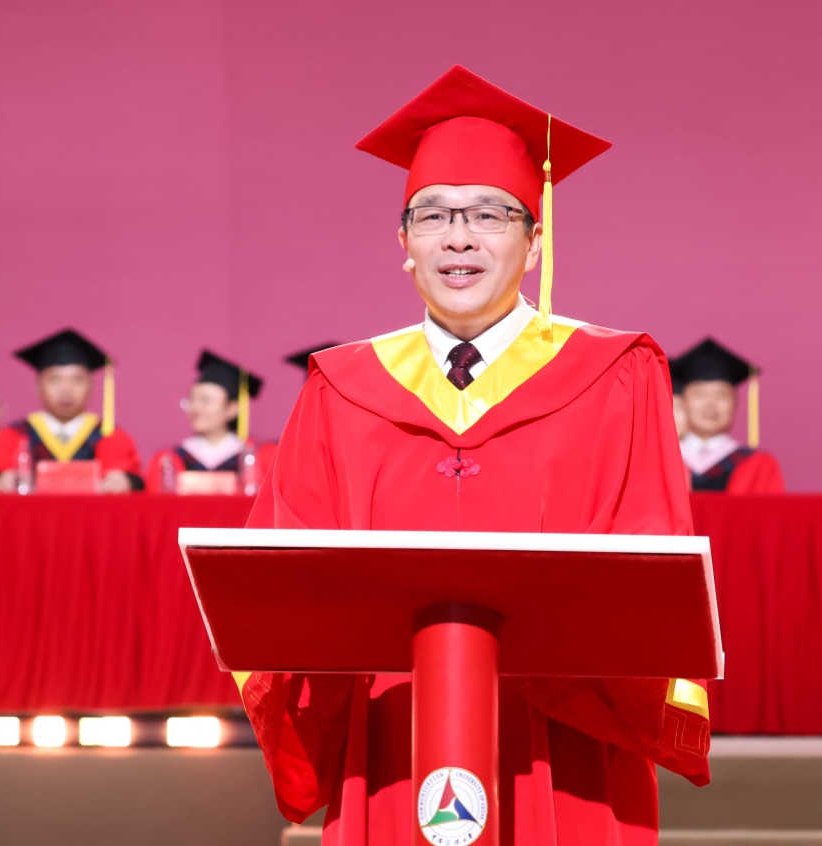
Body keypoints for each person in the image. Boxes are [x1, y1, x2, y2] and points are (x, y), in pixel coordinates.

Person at [238, 66, 710, 846]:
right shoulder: (341, 387)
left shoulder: (615, 375)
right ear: (403, 244)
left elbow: (647, 559)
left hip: (565, 730)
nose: (458, 237)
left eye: (489, 214)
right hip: (395, 723)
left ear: (534, 242)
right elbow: (282, 576)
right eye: (432, 216)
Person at [0, 329, 142, 493]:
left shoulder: (111, 437)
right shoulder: (13, 437)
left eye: (77, 379)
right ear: (38, 386)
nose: (66, 389)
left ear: (91, 386)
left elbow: (133, 484)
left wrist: (124, 482)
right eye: (55, 379)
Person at [674, 337, 784, 494]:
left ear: (735, 403)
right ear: (682, 402)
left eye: (721, 395)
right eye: (699, 394)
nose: (710, 404)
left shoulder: (760, 465)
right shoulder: (662, 461)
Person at [144, 350, 262, 491]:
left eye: (206, 401)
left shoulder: (255, 458)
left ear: (232, 408)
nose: (195, 408)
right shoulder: (168, 459)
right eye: (192, 400)